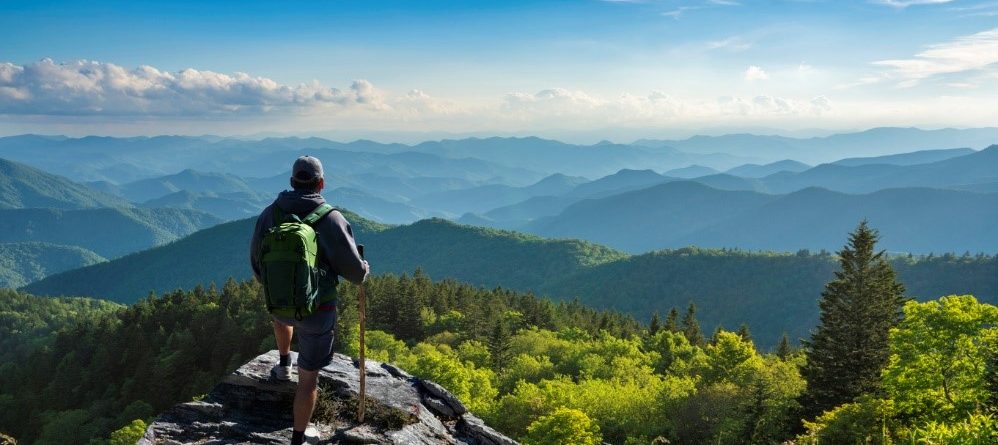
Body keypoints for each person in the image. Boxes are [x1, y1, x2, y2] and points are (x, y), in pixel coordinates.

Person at [250, 155, 369, 445]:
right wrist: (365, 269)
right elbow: (355, 273)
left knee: (281, 315)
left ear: (292, 181)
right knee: (308, 381)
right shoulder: (331, 218)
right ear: (321, 183)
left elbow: (257, 264)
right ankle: (298, 439)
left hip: (280, 305)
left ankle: (282, 364)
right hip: (318, 310)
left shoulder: (270, 214)